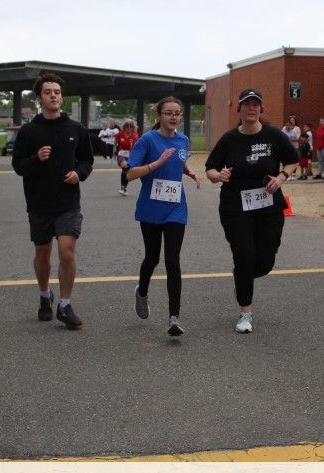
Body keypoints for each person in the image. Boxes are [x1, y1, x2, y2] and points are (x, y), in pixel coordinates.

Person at [205, 88, 298, 334]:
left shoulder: (273, 135)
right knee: (244, 256)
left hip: (269, 207)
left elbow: (293, 159)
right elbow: (210, 169)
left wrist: (282, 177)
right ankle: (245, 313)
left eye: (255, 104)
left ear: (261, 109)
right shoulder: (229, 139)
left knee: (265, 261)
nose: (251, 108)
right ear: (240, 109)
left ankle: (242, 278)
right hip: (236, 208)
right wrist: (219, 175)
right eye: (247, 104)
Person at [11, 72, 94, 330]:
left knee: (67, 254)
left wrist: (79, 173)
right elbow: (18, 166)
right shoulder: (28, 132)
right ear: (39, 98)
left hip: (68, 203)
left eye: (57, 92)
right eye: (48, 92)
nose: (53, 96)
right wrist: (36, 158)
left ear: (62, 97)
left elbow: (87, 160)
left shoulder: (76, 129)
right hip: (39, 203)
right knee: (42, 253)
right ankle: (45, 294)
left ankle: (65, 305)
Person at [126, 97, 201, 337]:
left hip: (176, 207)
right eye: (168, 113)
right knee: (152, 258)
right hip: (151, 208)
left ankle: (174, 318)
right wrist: (156, 164)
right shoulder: (147, 140)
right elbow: (129, 174)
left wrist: (190, 172)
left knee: (172, 260)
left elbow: (180, 160)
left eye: (177, 113)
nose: (173, 117)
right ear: (159, 115)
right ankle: (142, 292)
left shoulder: (183, 139)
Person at [115, 119, 139, 195]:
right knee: (124, 166)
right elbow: (116, 141)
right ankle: (123, 187)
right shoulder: (120, 134)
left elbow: (138, 146)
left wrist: (135, 140)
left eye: (131, 126)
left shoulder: (135, 134)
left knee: (126, 170)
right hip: (121, 154)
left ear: (133, 127)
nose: (129, 128)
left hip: (131, 155)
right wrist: (114, 149)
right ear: (124, 127)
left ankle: (123, 187)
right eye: (127, 126)